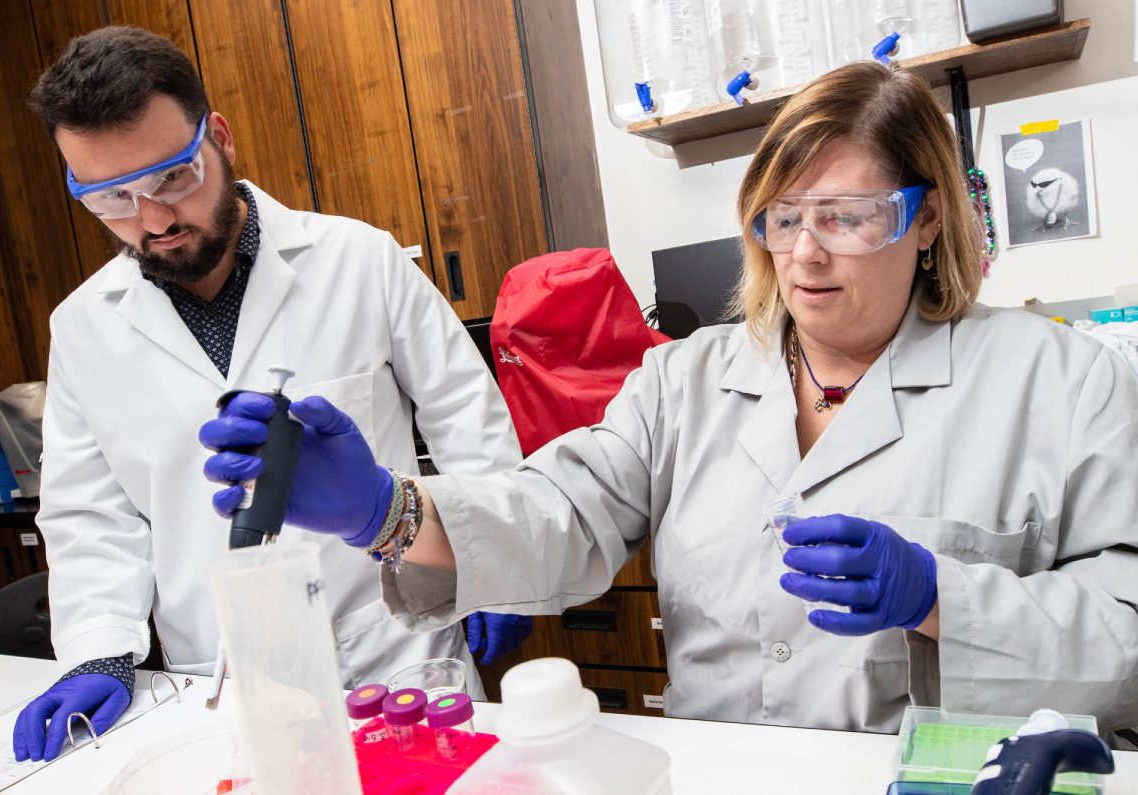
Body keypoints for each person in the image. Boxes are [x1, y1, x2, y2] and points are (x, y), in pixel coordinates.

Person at [202, 62, 1138, 734]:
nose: (805, 253)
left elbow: (1128, 635)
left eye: (848, 217)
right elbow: (563, 513)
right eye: (783, 217)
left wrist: (943, 599)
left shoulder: (1060, 379)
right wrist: (388, 509)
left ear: (928, 217)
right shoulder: (685, 379)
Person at [13, 26, 529, 763]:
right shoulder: (84, 328)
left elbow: (468, 424)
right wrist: (98, 650)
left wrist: (494, 564)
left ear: (218, 137)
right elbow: (89, 517)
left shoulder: (360, 261)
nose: (152, 219)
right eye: (111, 198)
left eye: (172, 177)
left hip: (395, 658)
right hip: (222, 685)